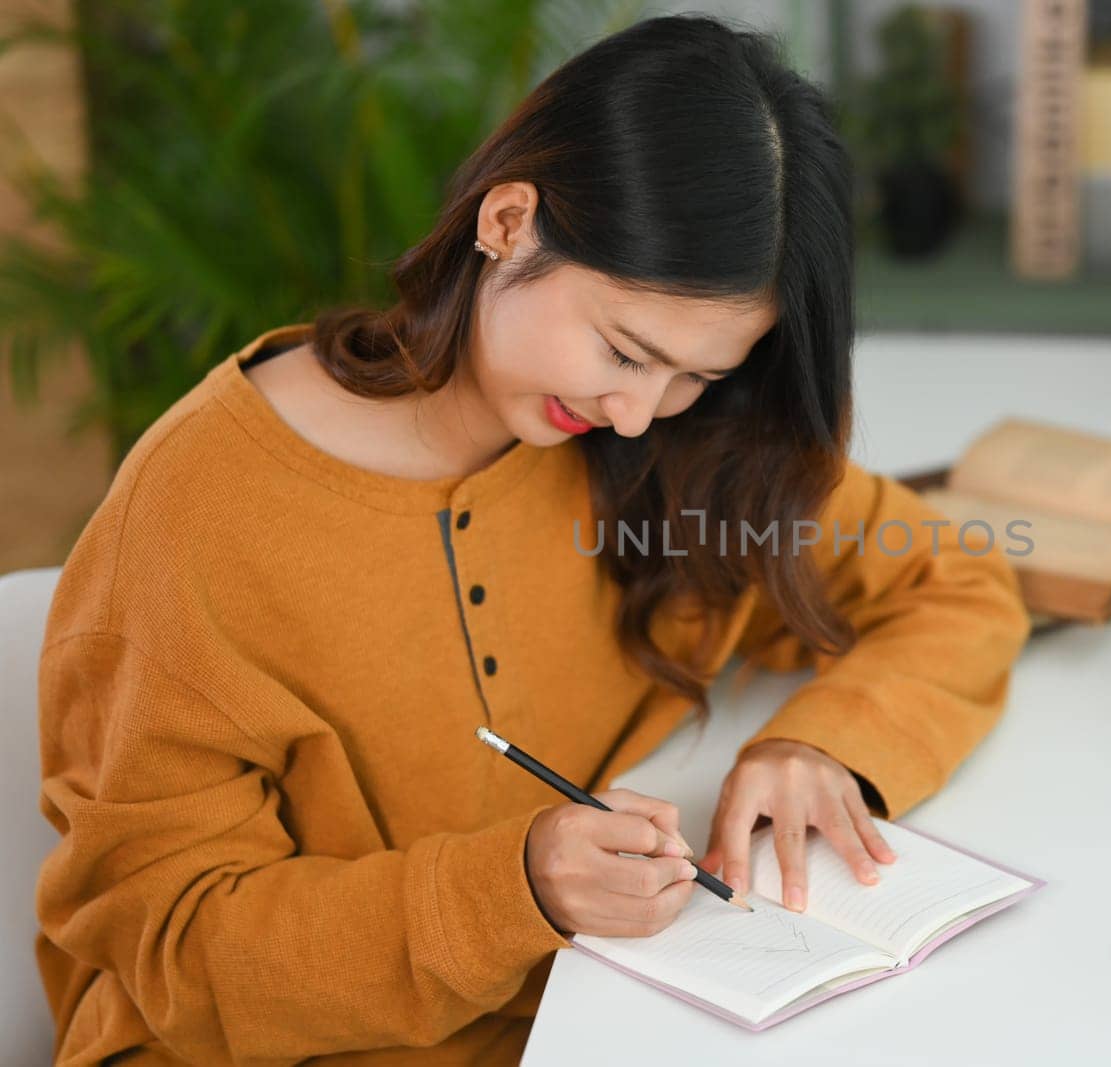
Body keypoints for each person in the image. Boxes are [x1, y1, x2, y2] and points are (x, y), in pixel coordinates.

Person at [33, 14, 1032, 1065]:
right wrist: (512, 889)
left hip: (627, 1020)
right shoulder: (202, 510)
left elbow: (950, 573)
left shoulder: (681, 444)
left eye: (696, 373)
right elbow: (175, 950)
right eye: (624, 348)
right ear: (509, 220)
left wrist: (824, 745)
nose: (643, 412)